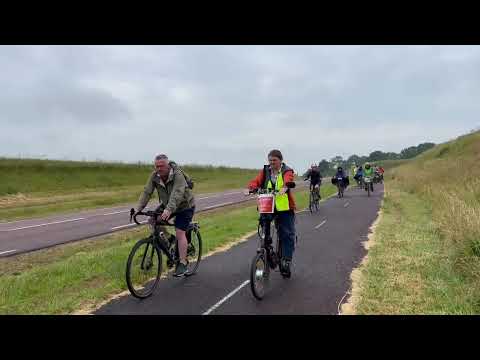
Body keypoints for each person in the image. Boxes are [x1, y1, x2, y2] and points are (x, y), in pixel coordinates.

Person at [135, 154, 196, 277]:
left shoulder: (177, 175)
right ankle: (170, 240)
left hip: (185, 206)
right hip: (168, 204)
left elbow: (177, 193)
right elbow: (147, 191)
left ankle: (182, 263)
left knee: (180, 232)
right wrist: (139, 208)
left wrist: (168, 210)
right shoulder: (154, 176)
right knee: (152, 220)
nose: (159, 169)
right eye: (156, 166)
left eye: (161, 166)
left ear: (168, 165)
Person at [246, 149, 297, 278]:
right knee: (264, 228)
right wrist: (252, 188)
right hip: (268, 205)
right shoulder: (265, 171)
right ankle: (266, 250)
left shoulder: (287, 170)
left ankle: (286, 260)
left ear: (280, 160)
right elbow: (256, 181)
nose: (272, 163)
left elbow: (288, 180)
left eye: (274, 160)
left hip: (284, 208)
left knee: (287, 234)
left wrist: (285, 187)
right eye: (270, 160)